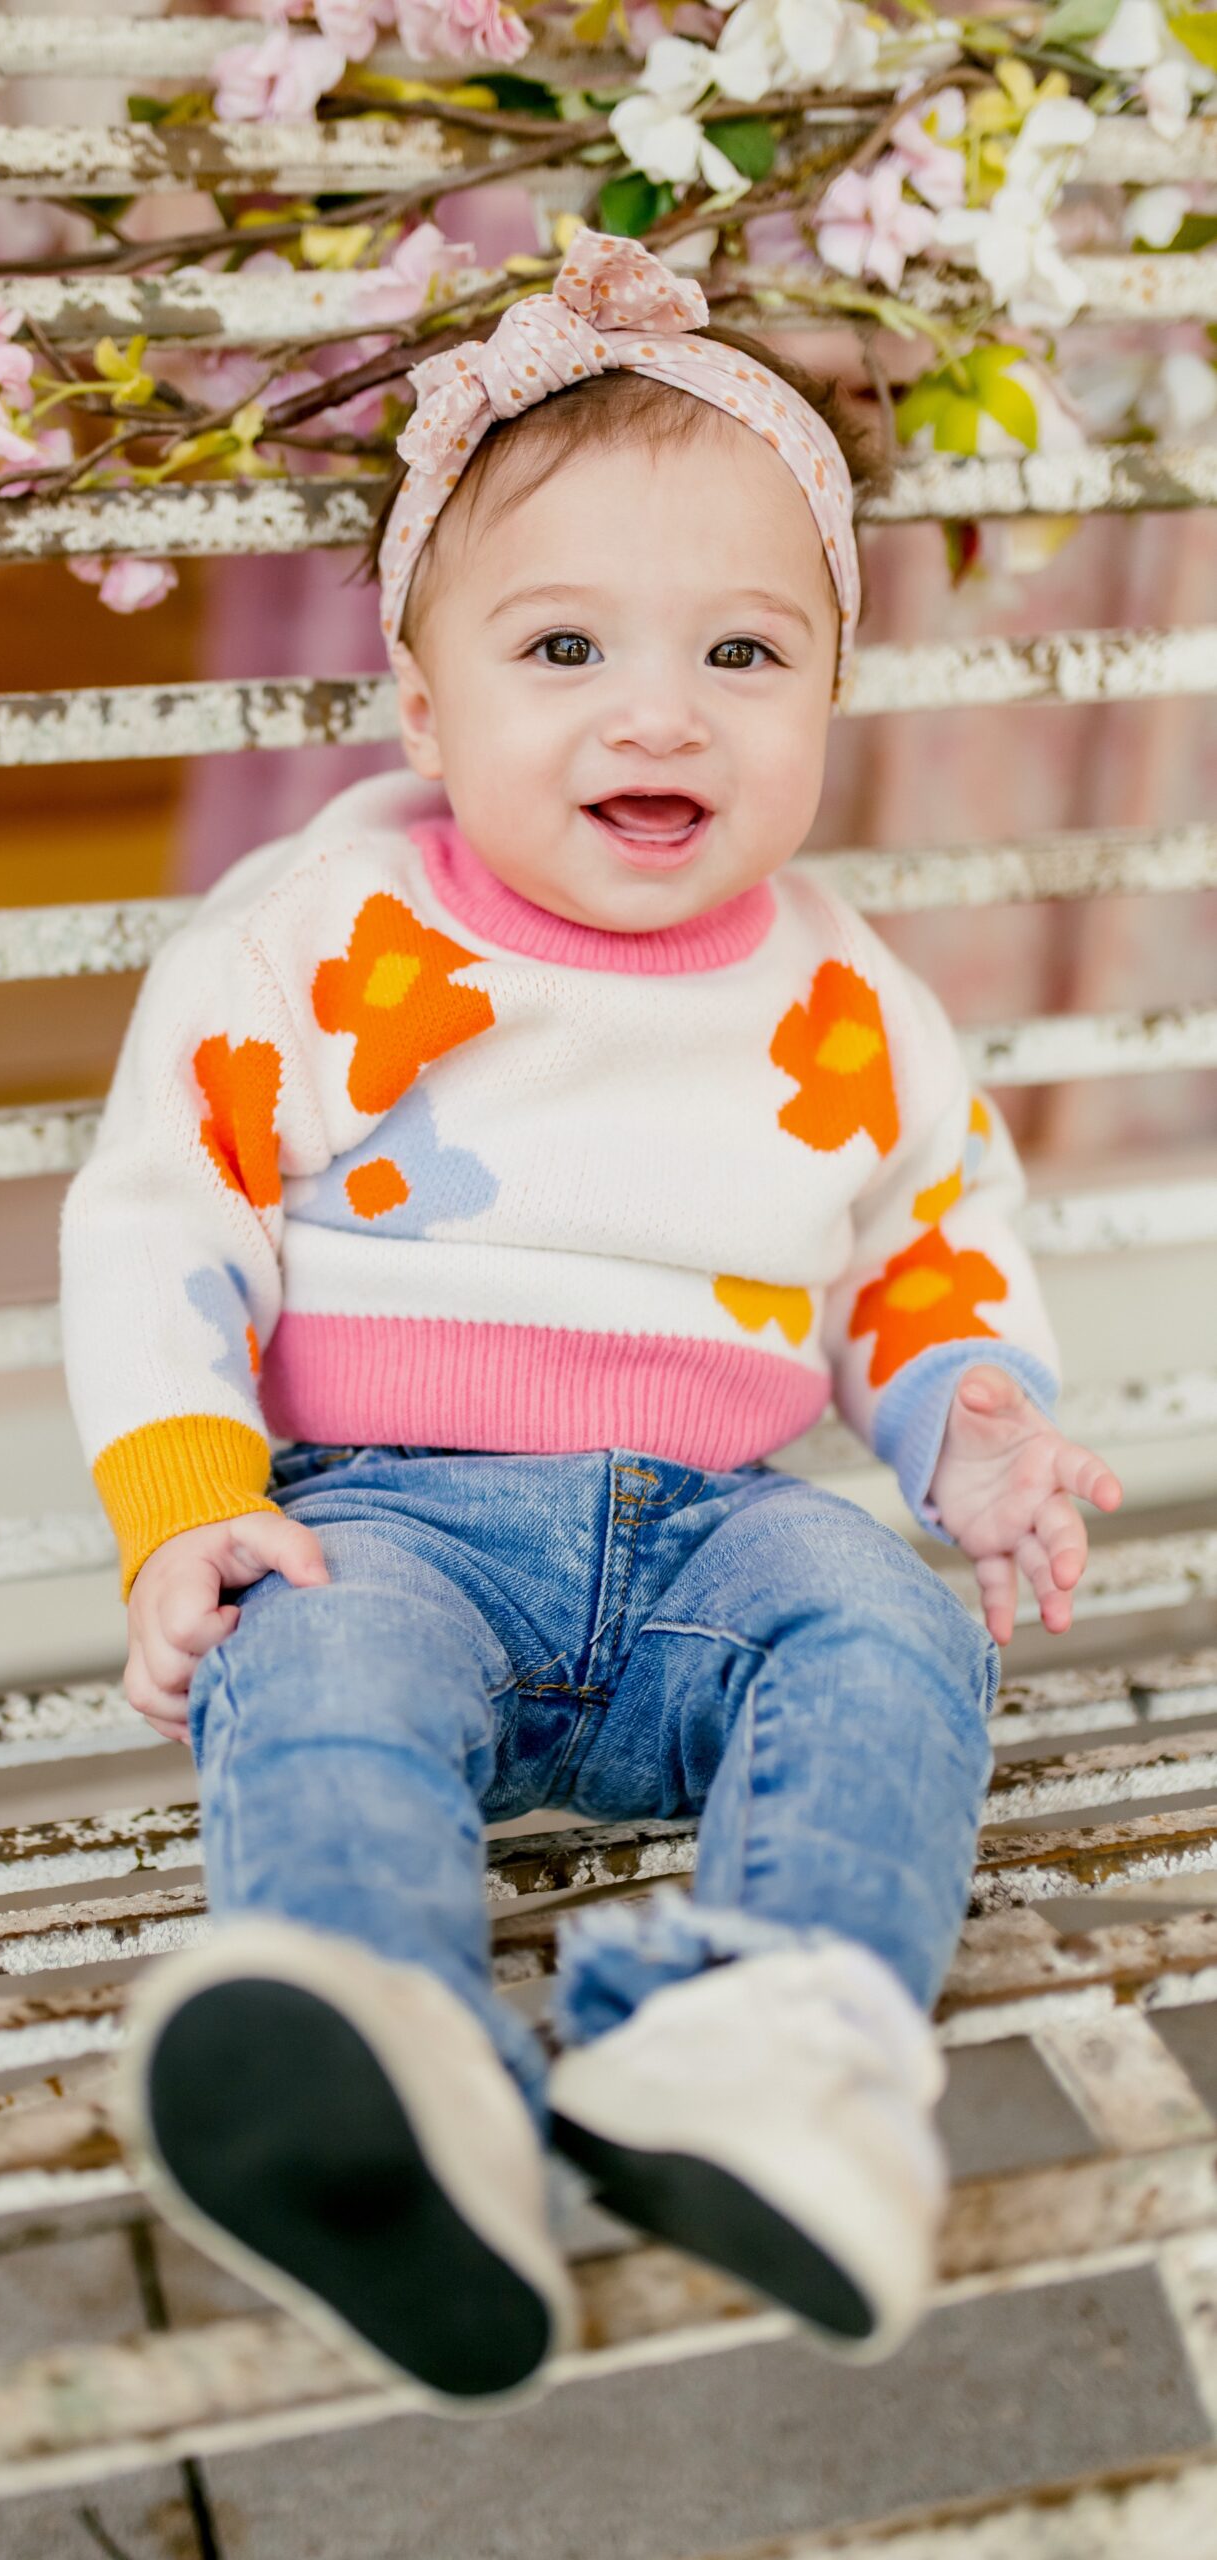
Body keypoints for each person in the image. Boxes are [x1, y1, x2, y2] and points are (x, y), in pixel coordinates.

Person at [59, 228, 1124, 2410]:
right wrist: (187, 1496)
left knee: (886, 1623)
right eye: (563, 646)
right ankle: (386, 2073)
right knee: (318, 1658)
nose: (657, 710)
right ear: (423, 697)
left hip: (717, 1540)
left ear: (827, 694)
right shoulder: (318, 924)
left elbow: (918, 1239)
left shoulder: (840, 988)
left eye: (741, 650)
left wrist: (977, 1418)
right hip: (390, 1517)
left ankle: (758, 2039)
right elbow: (163, 1205)